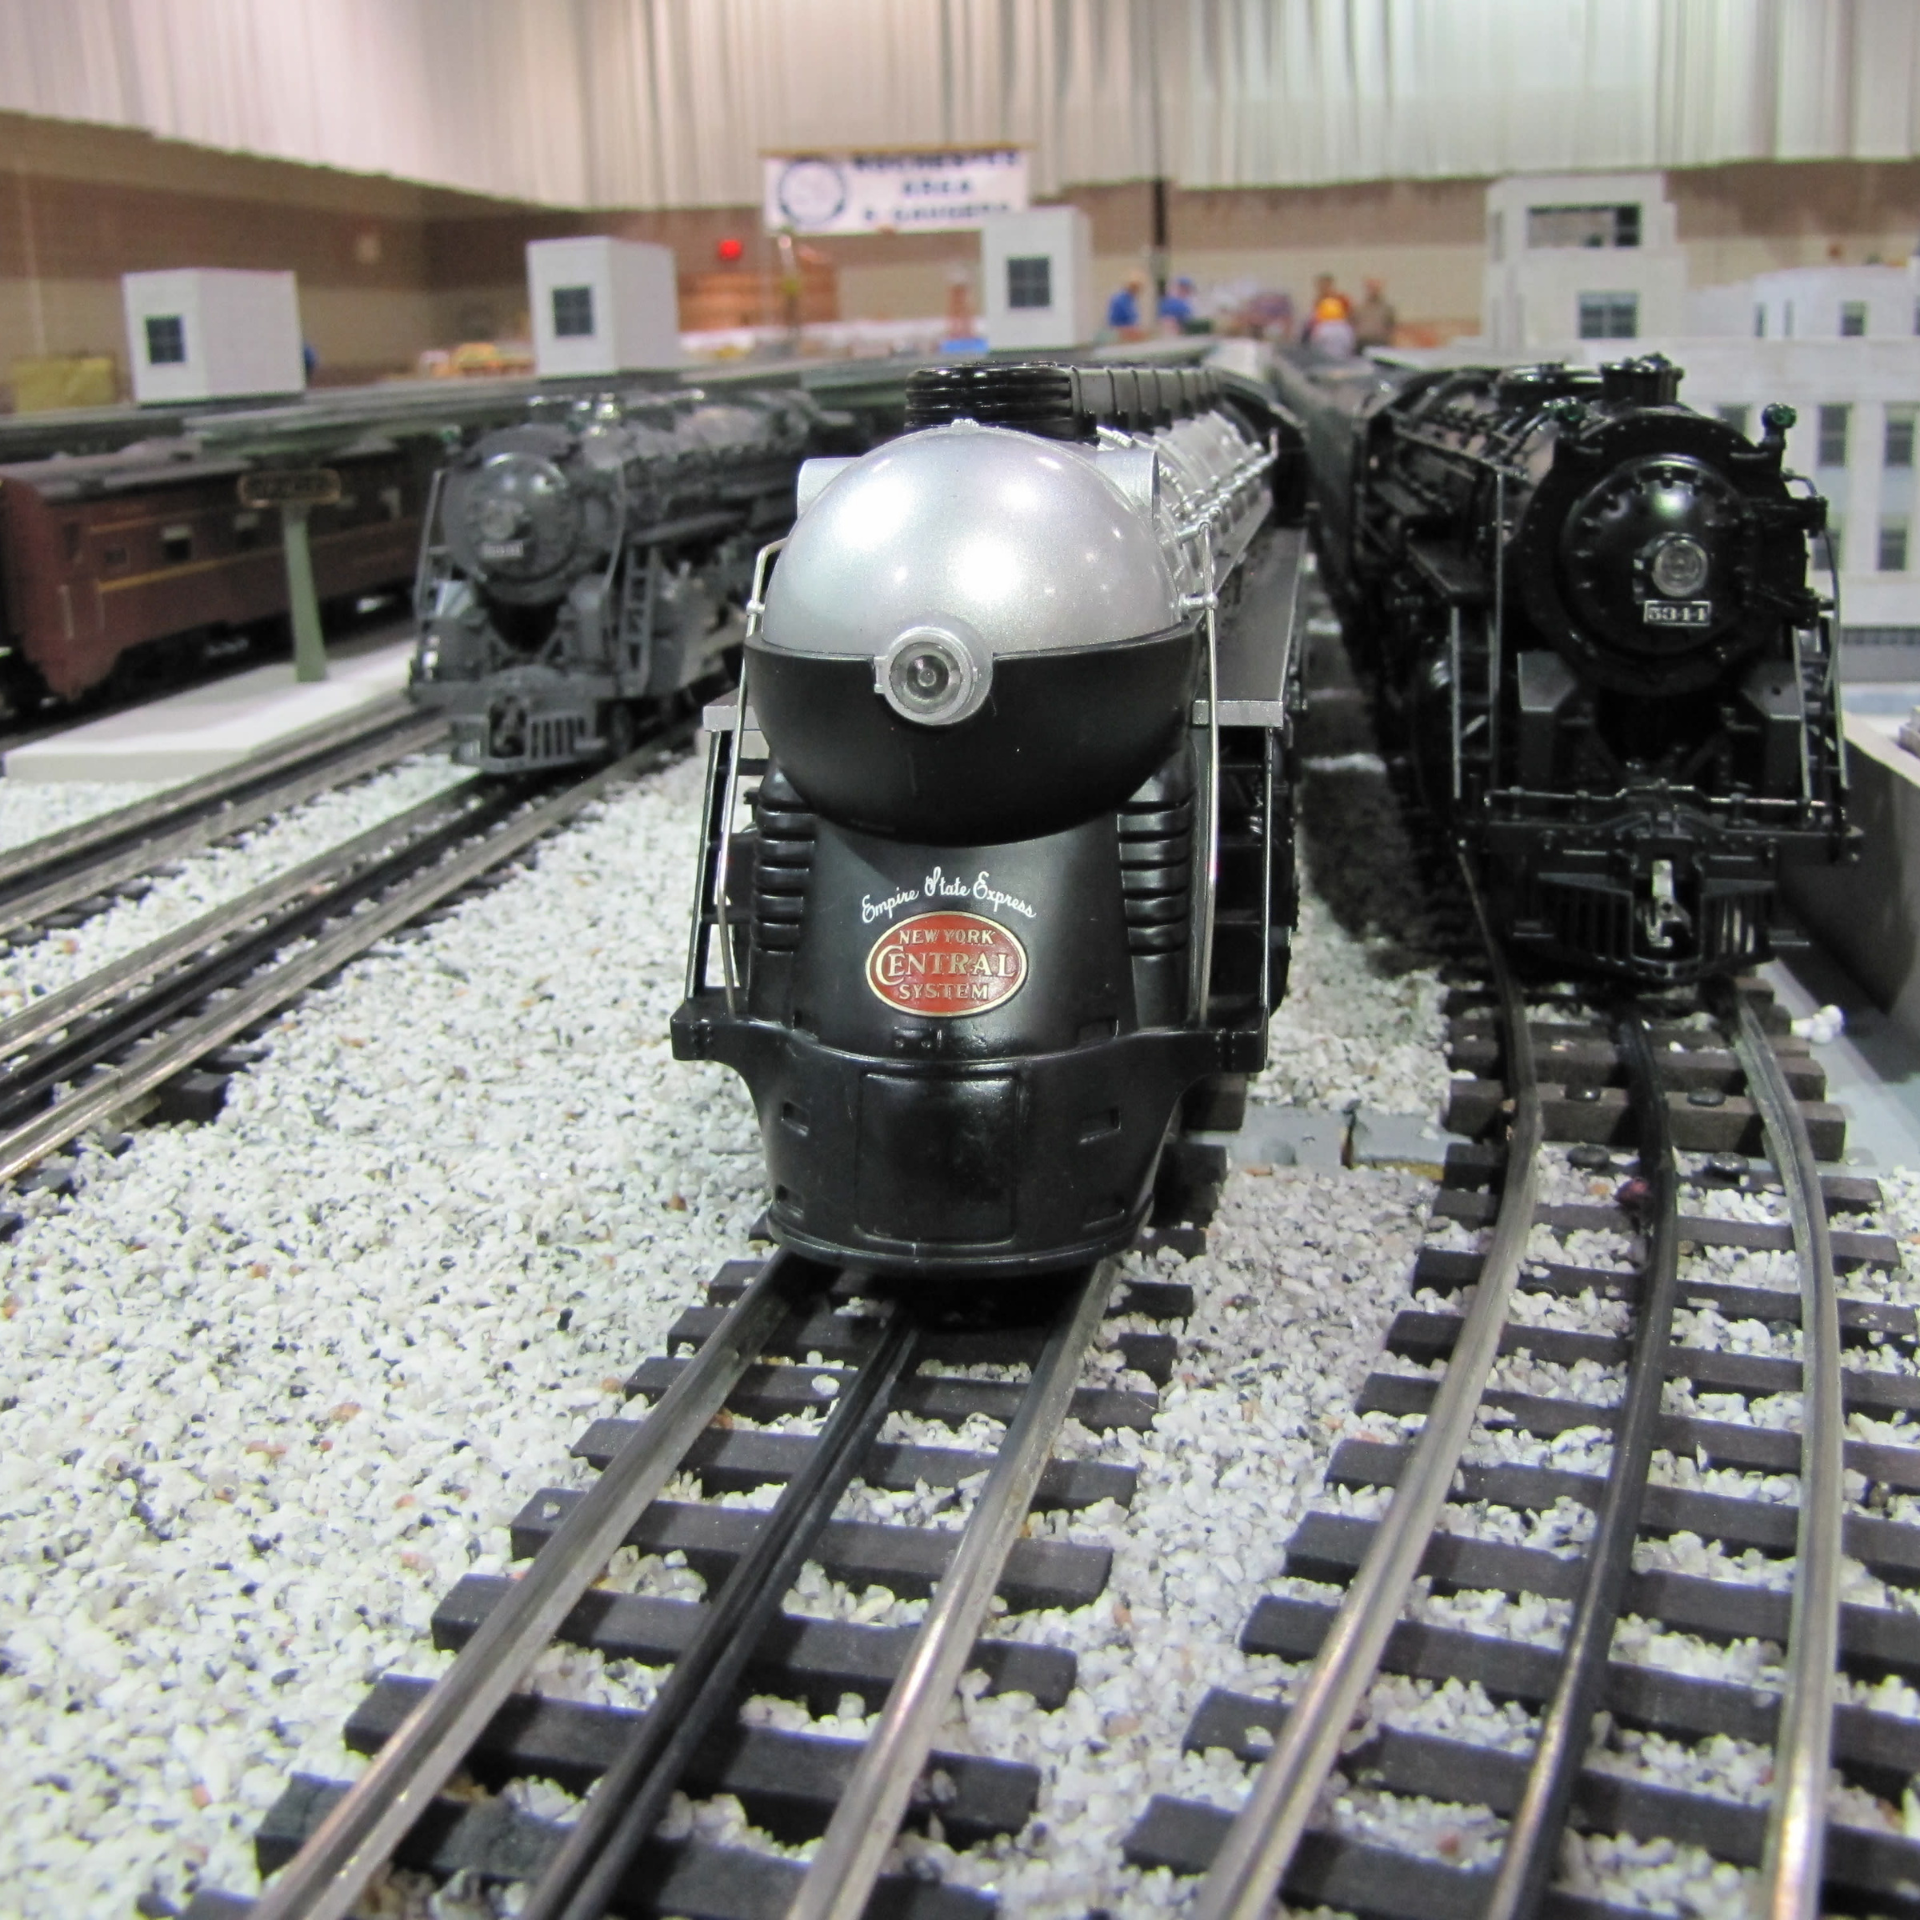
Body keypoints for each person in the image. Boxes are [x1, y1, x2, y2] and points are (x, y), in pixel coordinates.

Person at [1353, 278, 1396, 350]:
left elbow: (1391, 325)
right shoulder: (1360, 307)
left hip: (1380, 341)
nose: (1373, 291)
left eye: (1376, 289)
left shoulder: (1386, 308)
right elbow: (1353, 322)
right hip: (1362, 342)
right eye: (1371, 288)